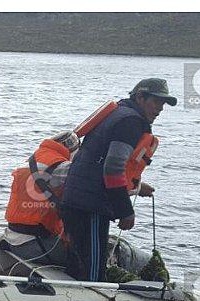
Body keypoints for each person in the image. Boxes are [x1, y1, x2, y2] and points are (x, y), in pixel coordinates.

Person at [61, 78, 171, 281]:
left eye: (163, 104)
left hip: (75, 198)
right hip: (90, 206)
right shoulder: (131, 122)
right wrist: (125, 211)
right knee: (92, 274)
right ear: (140, 97)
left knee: (78, 264)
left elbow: (98, 162)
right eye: (156, 101)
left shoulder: (118, 113)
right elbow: (112, 169)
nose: (160, 108)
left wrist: (137, 187)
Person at [2, 131, 81, 266]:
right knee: (85, 257)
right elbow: (88, 182)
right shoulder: (61, 167)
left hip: (12, 239)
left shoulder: (31, 162)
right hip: (36, 244)